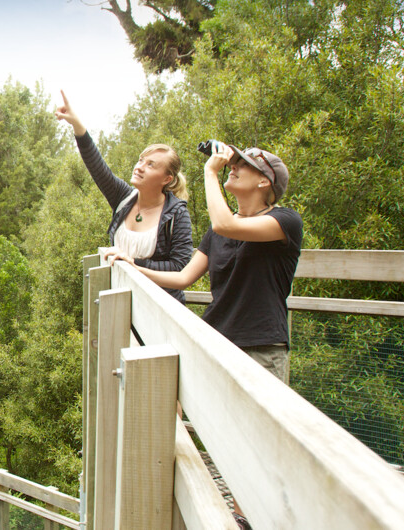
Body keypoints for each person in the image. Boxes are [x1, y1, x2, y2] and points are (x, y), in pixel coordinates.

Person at [130, 140, 301, 530]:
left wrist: (209, 171)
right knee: (169, 400)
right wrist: (134, 266)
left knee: (255, 447)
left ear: (265, 183)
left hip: (261, 348)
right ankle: (174, 490)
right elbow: (182, 277)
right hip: (214, 343)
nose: (232, 168)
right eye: (232, 163)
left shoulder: (285, 222)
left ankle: (242, 519)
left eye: (243, 165)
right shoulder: (217, 235)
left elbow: (227, 224)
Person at [55, 90, 194, 302]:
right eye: (141, 160)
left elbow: (179, 267)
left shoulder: (177, 214)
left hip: (158, 310)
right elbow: (97, 167)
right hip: (119, 305)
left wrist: (135, 263)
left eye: (150, 165)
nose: (139, 167)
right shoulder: (124, 198)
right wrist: (77, 125)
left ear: (167, 178)